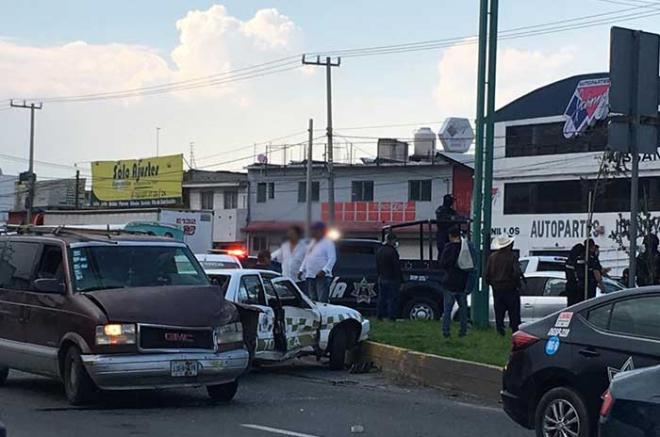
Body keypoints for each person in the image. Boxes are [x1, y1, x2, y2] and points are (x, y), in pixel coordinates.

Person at [486, 235, 523, 336]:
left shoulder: (492, 257)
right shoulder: (512, 257)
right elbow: (516, 273)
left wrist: (492, 283)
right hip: (510, 288)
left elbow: (487, 274)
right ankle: (515, 333)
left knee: (499, 313)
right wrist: (518, 284)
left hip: (497, 289)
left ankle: (500, 332)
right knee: (514, 314)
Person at [439, 226, 469, 338]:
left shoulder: (448, 248)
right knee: (463, 309)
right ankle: (463, 332)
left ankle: (446, 332)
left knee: (447, 309)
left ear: (451, 236)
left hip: (449, 282)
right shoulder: (465, 247)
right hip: (462, 282)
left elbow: (442, 263)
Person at [299, 222, 336, 303]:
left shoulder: (328, 243)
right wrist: (302, 269)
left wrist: (324, 270)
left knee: (322, 301)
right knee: (312, 301)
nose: (313, 232)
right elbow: (307, 257)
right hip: (310, 275)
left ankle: (323, 315)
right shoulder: (312, 242)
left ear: (321, 231)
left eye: (315, 230)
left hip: (322, 277)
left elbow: (332, 258)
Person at [376, 232, 403, 321]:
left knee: (382, 298)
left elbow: (377, 265)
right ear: (392, 240)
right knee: (392, 299)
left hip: (381, 277)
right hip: (392, 278)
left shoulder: (380, 250)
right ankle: (391, 317)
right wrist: (401, 280)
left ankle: (379, 315)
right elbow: (396, 267)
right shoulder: (392, 252)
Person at [435, 194, 462, 258]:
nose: (452, 203)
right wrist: (451, 218)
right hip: (442, 234)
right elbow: (441, 219)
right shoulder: (440, 210)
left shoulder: (452, 211)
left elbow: (458, 217)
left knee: (452, 251)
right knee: (442, 251)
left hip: (450, 235)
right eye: (451, 201)